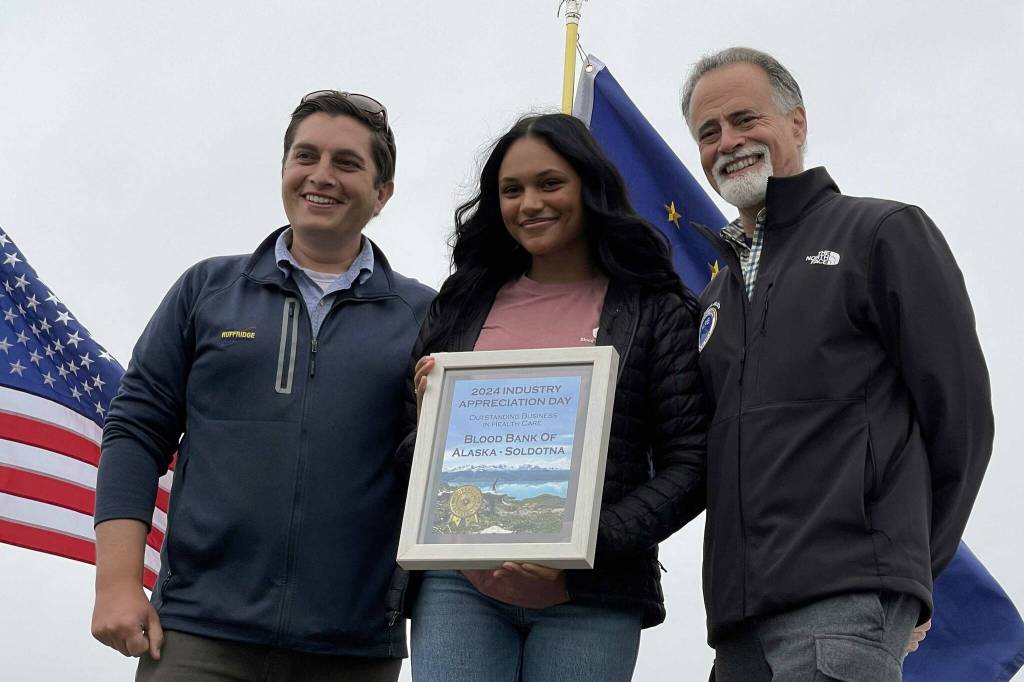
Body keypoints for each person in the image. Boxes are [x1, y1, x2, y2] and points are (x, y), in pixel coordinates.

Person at [91, 91, 434, 681]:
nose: (321, 176)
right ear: (284, 170)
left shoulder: (427, 315)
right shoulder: (206, 290)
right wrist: (116, 583)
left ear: (382, 194)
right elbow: (135, 432)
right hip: (196, 635)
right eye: (306, 156)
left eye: (347, 163)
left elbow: (445, 467)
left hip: (353, 649)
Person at [680, 47, 993, 681]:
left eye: (745, 118)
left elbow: (959, 419)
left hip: (848, 602)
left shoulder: (882, 232)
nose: (728, 142)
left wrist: (909, 574)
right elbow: (694, 454)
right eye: (708, 132)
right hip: (737, 625)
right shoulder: (713, 297)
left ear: (796, 122)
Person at [387, 113, 709, 681]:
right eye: (512, 190)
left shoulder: (656, 310)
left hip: (593, 594)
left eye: (550, 183)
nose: (529, 203)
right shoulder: (460, 306)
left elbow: (691, 465)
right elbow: (407, 455)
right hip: (457, 590)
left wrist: (588, 543)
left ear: (590, 187)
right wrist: (433, 422)